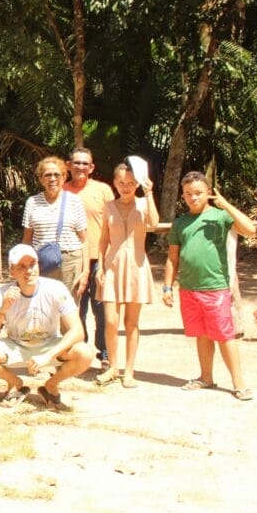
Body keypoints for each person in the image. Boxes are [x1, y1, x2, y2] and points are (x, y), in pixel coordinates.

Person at [163, 172, 256, 401]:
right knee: (201, 334)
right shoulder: (180, 223)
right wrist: (167, 287)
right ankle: (206, 377)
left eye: (198, 193)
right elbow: (172, 258)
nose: (193, 197)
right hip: (188, 288)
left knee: (224, 335)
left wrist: (225, 205)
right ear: (182, 195)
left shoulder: (220, 217)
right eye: (188, 194)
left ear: (208, 193)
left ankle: (239, 383)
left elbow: (250, 229)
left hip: (215, 287)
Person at [0, 245, 95, 411]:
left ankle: (50, 386)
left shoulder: (55, 288)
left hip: (48, 344)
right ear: (12, 272)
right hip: (16, 345)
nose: (29, 270)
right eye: (21, 266)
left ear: (38, 266)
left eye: (32, 264)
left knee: (85, 353)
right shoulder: (3, 293)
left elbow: (77, 331)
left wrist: (48, 355)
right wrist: (3, 309)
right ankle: (16, 383)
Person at [96, 163, 159, 388]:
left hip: (136, 267)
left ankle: (129, 371)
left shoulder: (144, 204)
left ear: (138, 184)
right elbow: (103, 239)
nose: (126, 186)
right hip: (112, 267)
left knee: (131, 323)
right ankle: (113, 367)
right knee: (111, 321)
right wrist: (100, 267)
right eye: (121, 182)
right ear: (114, 183)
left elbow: (154, 222)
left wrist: (149, 193)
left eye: (131, 183)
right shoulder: (108, 206)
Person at [63, 147, 116, 370]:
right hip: (72, 259)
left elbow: (115, 222)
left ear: (92, 167)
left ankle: (105, 353)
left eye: (86, 163)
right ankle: (79, 353)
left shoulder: (103, 190)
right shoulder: (61, 191)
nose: (81, 167)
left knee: (102, 309)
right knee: (75, 310)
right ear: (68, 165)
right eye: (77, 163)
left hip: (100, 259)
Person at [22, 155, 88, 299]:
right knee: (44, 308)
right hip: (42, 262)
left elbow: (84, 240)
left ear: (64, 177)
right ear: (41, 179)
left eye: (57, 174)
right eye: (48, 175)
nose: (52, 178)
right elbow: (27, 240)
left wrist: (86, 271)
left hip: (70, 261)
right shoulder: (32, 203)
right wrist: (24, 266)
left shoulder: (75, 201)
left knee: (68, 309)